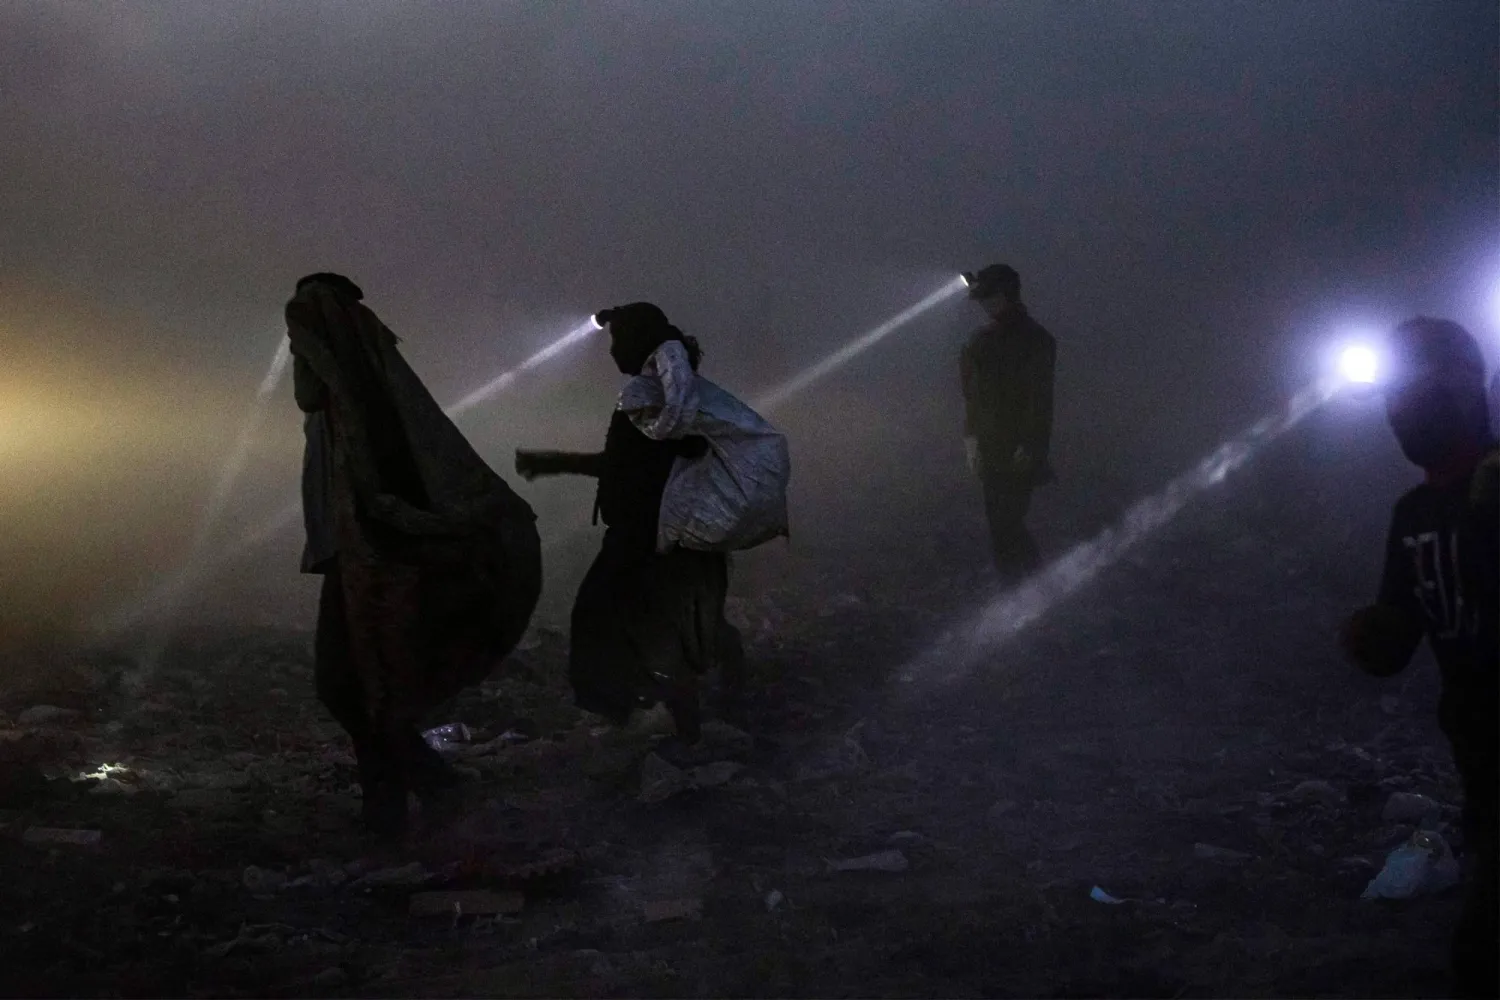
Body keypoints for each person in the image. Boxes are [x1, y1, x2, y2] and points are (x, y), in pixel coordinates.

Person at [289, 272, 542, 838]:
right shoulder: (342, 408)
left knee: (347, 686)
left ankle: (425, 792)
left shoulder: (365, 408)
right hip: (351, 557)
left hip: (375, 562)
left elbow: (391, 489)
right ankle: (396, 807)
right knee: (357, 690)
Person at [1339, 317, 1498, 998]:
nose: (1400, 411)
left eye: (1414, 392)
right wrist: (1371, 635)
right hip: (1479, 745)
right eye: (1393, 397)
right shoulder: (1414, 513)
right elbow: (1398, 638)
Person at [515, 302, 742, 744]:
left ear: (642, 343)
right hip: (668, 534)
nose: (612, 350)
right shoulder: (670, 392)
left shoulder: (654, 397)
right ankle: (696, 707)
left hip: (646, 536)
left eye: (619, 339)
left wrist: (553, 462)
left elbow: (625, 466)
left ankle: (671, 726)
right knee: (670, 625)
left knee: (610, 625)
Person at [959, 264, 1057, 584]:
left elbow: (1039, 400)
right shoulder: (981, 342)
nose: (987, 305)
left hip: (1016, 444)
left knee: (1007, 522)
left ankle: (1032, 585)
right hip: (991, 443)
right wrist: (972, 439)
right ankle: (1023, 586)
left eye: (992, 297)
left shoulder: (1034, 341)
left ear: (1007, 295)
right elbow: (972, 396)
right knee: (999, 523)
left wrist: (1030, 444)